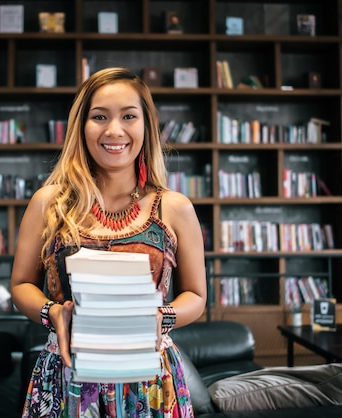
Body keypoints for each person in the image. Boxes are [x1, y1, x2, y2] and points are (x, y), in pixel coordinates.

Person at [11, 67, 206, 417]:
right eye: (99, 116)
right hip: (65, 373)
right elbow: (22, 284)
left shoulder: (175, 208)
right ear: (81, 127)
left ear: (146, 126)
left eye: (129, 116)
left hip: (151, 379)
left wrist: (162, 316)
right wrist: (52, 312)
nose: (114, 130)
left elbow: (197, 296)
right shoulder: (49, 202)